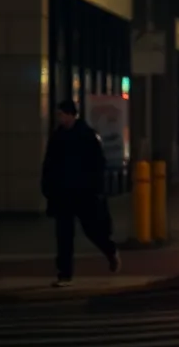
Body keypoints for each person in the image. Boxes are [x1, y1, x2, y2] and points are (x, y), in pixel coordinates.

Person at [41, 100, 120, 287]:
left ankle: (110, 250)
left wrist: (95, 188)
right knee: (64, 234)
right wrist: (48, 187)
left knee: (92, 229)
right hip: (64, 193)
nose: (59, 118)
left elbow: (98, 164)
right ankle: (64, 274)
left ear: (70, 114)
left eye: (61, 114)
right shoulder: (58, 137)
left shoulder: (86, 135)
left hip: (84, 193)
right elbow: (49, 164)